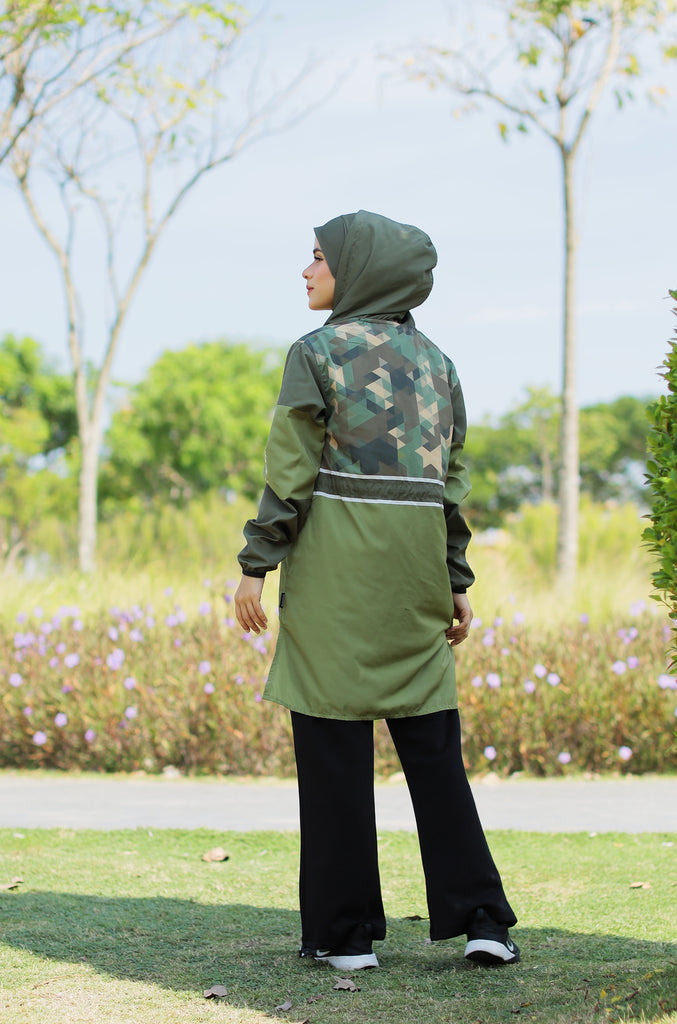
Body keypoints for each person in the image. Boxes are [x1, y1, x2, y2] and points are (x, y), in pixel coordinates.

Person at [234, 210, 519, 972]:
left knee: (332, 749)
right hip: (415, 581)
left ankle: (345, 933)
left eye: (319, 257)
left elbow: (291, 469)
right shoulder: (439, 365)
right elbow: (449, 485)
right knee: (433, 755)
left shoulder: (315, 353)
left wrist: (256, 562)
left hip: (335, 579)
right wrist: (455, 580)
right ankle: (484, 921)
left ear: (357, 270)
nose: (306, 270)